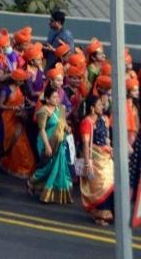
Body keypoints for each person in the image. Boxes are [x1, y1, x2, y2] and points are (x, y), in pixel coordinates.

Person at [28, 83, 73, 204]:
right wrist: (47, 146)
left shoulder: (61, 109)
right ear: (47, 99)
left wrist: (67, 128)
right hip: (46, 141)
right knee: (48, 166)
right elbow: (42, 130)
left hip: (60, 142)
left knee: (58, 167)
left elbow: (62, 123)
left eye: (58, 97)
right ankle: (32, 181)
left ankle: (54, 193)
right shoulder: (43, 111)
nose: (57, 99)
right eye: (54, 97)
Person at [79, 92, 115, 224]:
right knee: (100, 185)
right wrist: (87, 162)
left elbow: (107, 137)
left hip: (106, 157)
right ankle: (100, 215)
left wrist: (109, 148)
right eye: (99, 105)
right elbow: (86, 143)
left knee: (111, 184)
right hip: (95, 158)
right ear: (92, 108)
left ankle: (110, 212)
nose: (102, 106)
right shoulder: (87, 122)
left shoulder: (104, 119)